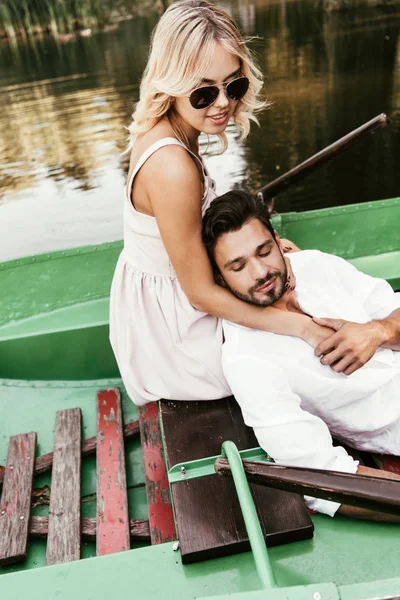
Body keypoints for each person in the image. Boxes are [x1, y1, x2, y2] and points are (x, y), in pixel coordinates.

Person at [109, 0, 359, 407]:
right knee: (316, 333)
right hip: (176, 340)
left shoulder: (169, 127)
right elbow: (200, 295)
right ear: (171, 82)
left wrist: (269, 242)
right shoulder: (171, 167)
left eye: (234, 84)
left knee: (308, 277)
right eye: (205, 91)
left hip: (170, 301)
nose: (223, 102)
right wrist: (301, 329)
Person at [202, 189, 400, 520]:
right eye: (238, 266)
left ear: (279, 243)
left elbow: (392, 308)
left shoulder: (315, 264)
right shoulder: (248, 360)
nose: (260, 273)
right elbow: (320, 478)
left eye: (264, 251)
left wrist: (378, 331)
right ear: (220, 280)